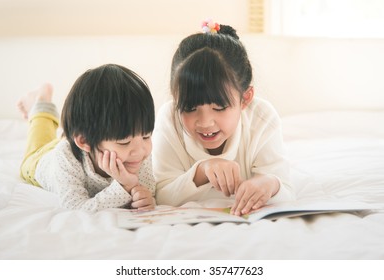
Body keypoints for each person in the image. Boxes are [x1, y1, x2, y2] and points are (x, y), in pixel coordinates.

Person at [152, 20, 295, 216]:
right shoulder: (169, 118)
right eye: (189, 107)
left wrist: (270, 184)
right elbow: (160, 195)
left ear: (245, 99)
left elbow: (286, 190)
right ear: (175, 97)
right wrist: (202, 171)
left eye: (219, 108)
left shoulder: (261, 117)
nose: (205, 122)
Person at [17, 64, 156, 212]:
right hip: (45, 159)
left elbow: (148, 190)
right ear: (84, 141)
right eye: (124, 142)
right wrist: (125, 186)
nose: (141, 150)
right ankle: (40, 102)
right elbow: (76, 207)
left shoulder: (137, 153)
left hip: (85, 144)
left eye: (146, 136)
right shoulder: (65, 158)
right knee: (38, 141)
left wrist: (145, 198)